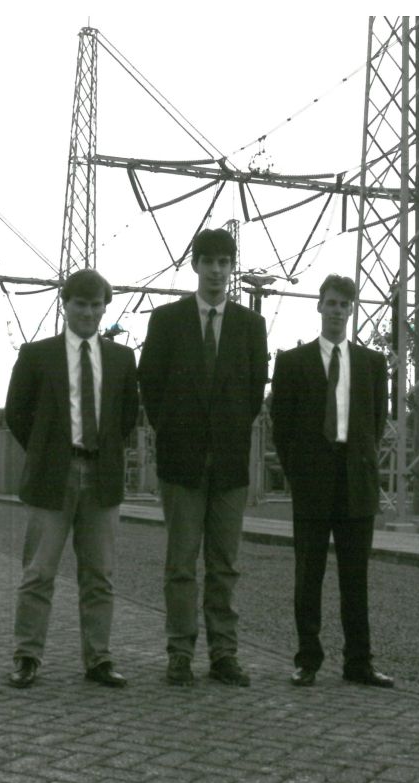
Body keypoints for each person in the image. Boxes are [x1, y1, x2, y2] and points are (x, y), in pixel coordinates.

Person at [138, 228, 269, 687]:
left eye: (224, 262)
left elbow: (254, 391)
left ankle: (223, 654)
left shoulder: (250, 326)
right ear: (194, 265)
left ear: (232, 268)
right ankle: (179, 653)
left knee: (224, 566)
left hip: (230, 463)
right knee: (180, 564)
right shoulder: (166, 320)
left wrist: (225, 432)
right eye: (208, 261)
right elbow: (150, 384)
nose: (216, 270)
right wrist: (176, 429)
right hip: (182, 462)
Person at [3, 269, 140, 689]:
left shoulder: (122, 359)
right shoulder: (37, 355)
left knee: (100, 576)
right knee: (38, 573)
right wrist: (47, 450)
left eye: (96, 305)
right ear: (65, 304)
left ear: (105, 308)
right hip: (52, 476)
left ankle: (99, 659)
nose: (88, 312)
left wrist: (100, 451)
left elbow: (127, 417)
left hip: (101, 477)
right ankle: (27, 657)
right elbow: (17, 412)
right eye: (80, 304)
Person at [269, 274, 394, 689]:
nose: (337, 311)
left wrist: (360, 462)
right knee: (309, 576)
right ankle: (308, 660)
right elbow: (281, 427)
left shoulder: (372, 364)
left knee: (355, 578)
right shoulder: (292, 362)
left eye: (344, 304)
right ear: (319, 306)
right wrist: (298, 473)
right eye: (331, 303)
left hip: (356, 483)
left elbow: (376, 423)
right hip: (312, 483)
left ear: (351, 310)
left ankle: (359, 662)